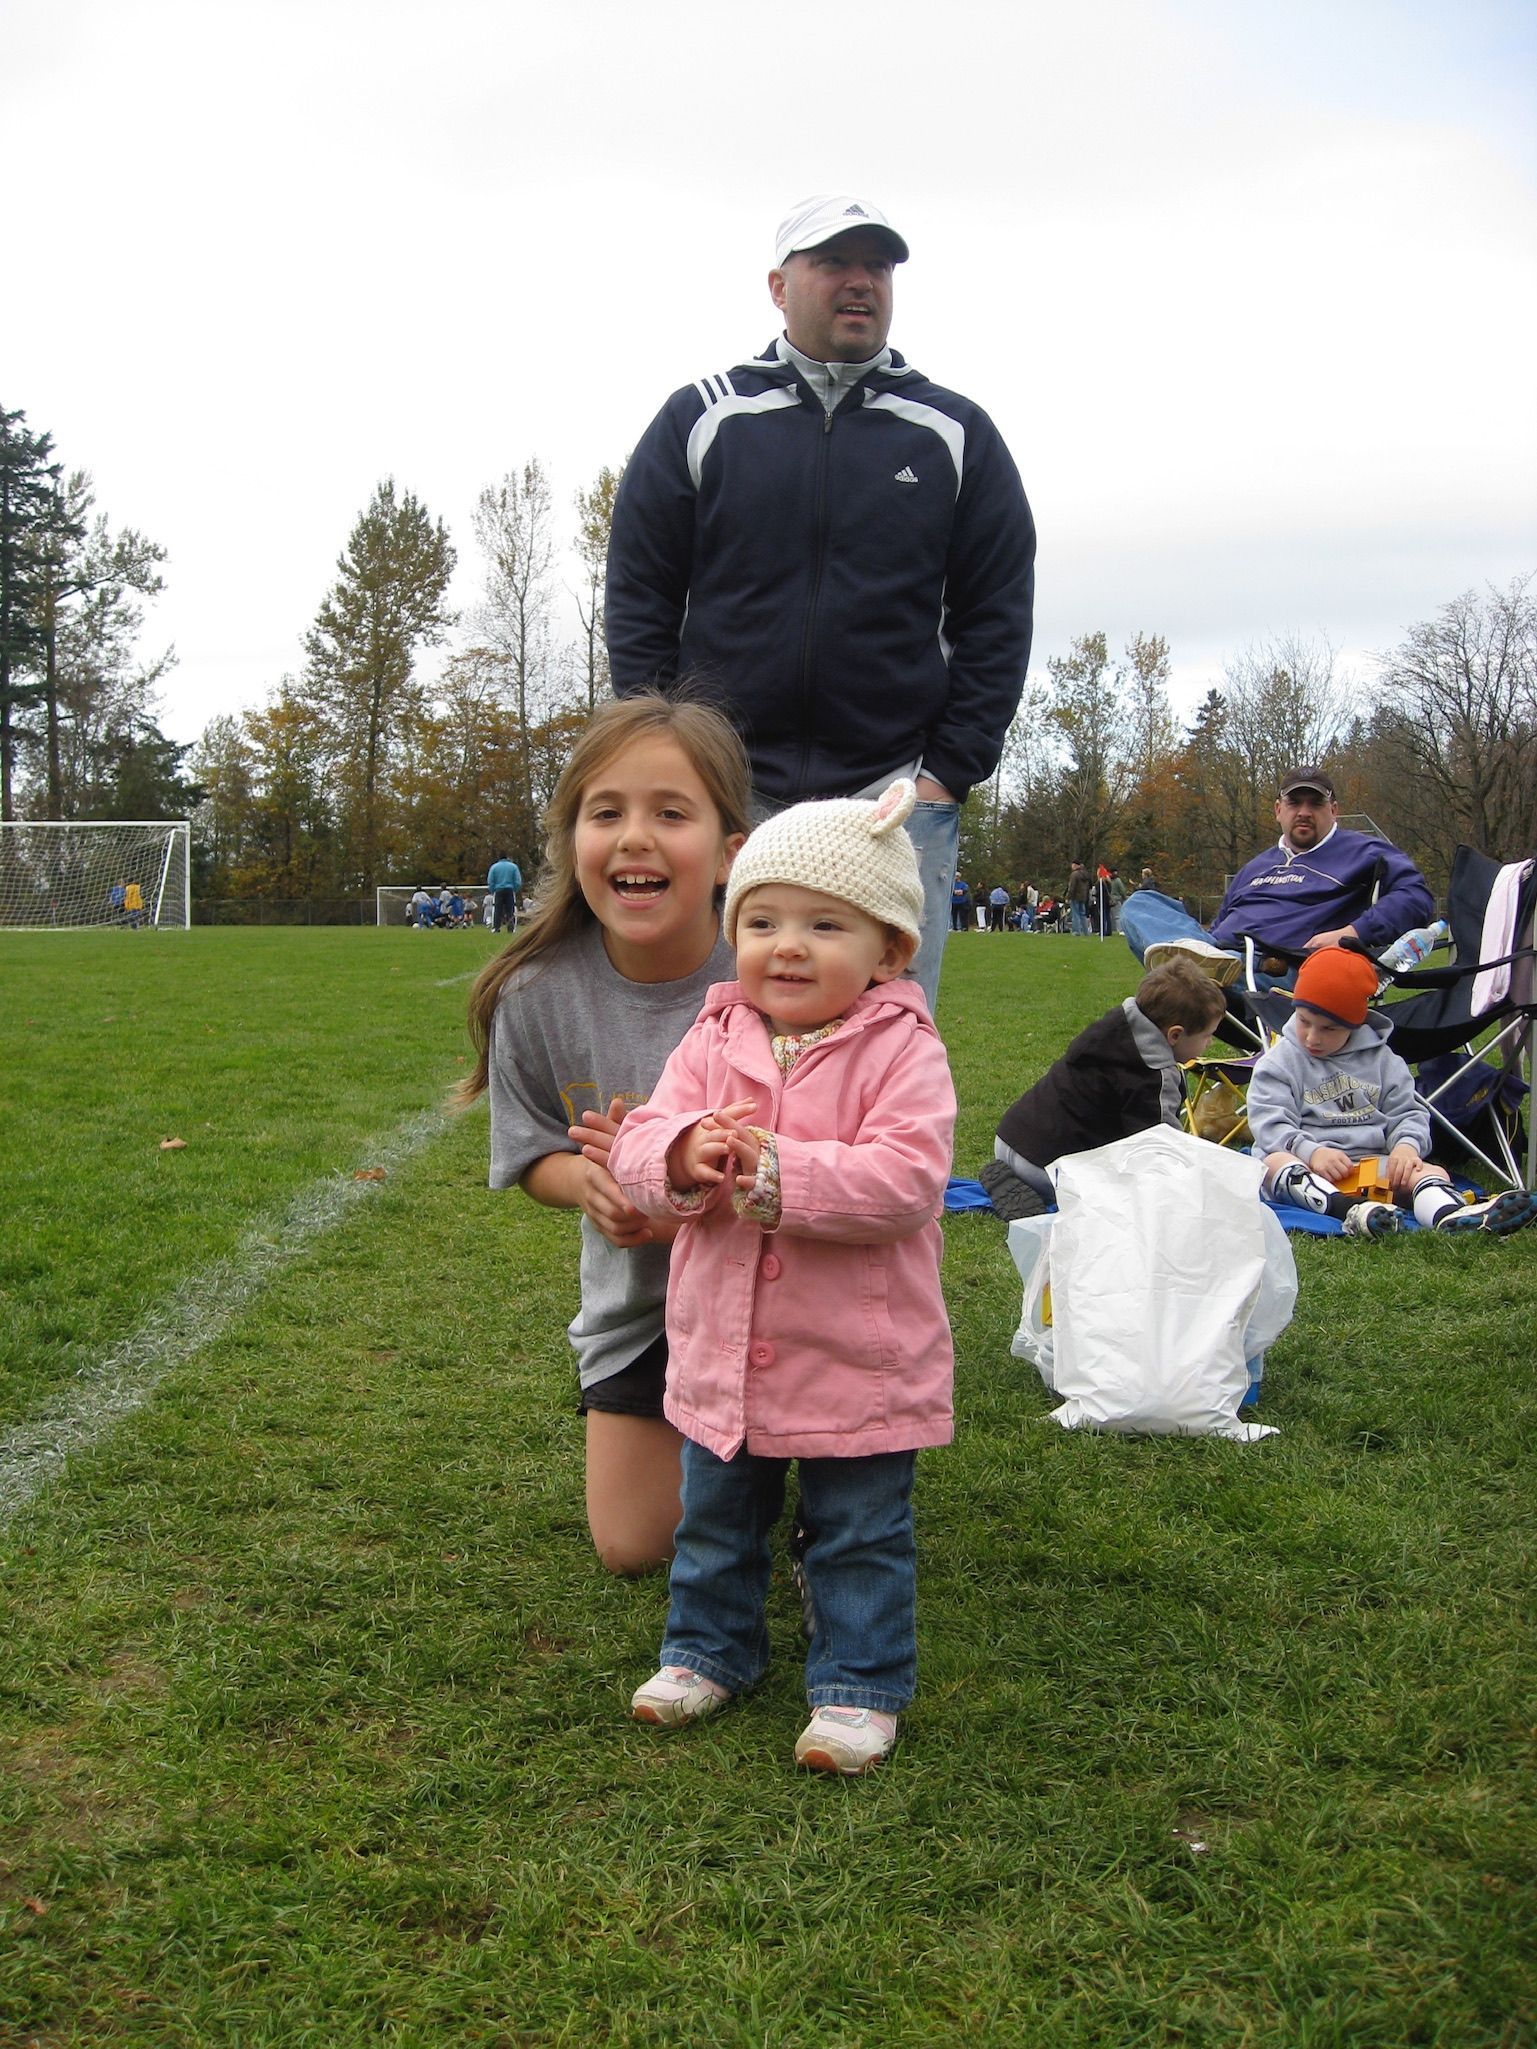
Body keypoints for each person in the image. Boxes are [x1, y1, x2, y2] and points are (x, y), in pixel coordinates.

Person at [604, 192, 1036, 1019]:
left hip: (893, 794)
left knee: (885, 1042)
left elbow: (997, 612)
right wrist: (668, 754)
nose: (860, 281)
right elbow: (638, 592)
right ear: (778, 286)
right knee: (709, 1034)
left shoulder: (953, 432)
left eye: (877, 265)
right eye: (834, 262)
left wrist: (946, 773)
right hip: (725, 787)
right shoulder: (703, 416)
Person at [610, 780, 956, 1776]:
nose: (787, 946)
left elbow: (906, 1180)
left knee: (858, 1529)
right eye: (761, 923)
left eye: (823, 925)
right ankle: (707, 1650)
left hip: (858, 1357)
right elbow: (639, 1143)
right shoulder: (713, 1036)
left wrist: (776, 1173)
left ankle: (857, 1682)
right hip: (722, 1348)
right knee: (716, 1516)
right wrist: (680, 1153)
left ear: (888, 951)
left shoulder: (902, 1049)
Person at [460, 694, 751, 1575]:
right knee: (633, 1546)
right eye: (606, 812)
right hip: (641, 1311)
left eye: (671, 813)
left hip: (776, 1293)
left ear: (729, 852)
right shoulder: (536, 993)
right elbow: (529, 1152)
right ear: (571, 841)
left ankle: (818, 1459)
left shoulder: (774, 975)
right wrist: (587, 1183)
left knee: (802, 1494)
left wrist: (695, 1199)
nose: (634, 837)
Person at [1247, 949, 1537, 1238]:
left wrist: (1406, 1147)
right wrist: (1313, 1152)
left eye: (1329, 1028)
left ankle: (1450, 1216)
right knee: (1272, 1164)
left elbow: (1408, 1113)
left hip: (1373, 1166)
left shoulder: (1384, 1061)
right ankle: (1345, 1209)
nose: (1312, 1037)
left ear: (1355, 1024)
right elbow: (1270, 1125)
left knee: (1431, 1173)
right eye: (1304, 1021)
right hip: (1310, 1166)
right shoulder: (1280, 1062)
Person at [1121, 768, 1434, 986]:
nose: (1304, 811)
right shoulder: (1254, 868)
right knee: (1141, 903)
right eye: (1294, 802)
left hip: (1283, 972)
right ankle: (1200, 965)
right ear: (1278, 810)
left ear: (1334, 810)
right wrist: (1211, 947)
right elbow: (1221, 924)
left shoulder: (1364, 851)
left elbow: (1416, 898)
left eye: (1316, 803)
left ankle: (1192, 971)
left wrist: (1352, 932)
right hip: (1224, 956)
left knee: (1164, 991)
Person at [981, 958, 1229, 1218]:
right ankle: (1037, 1191)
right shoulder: (1153, 1075)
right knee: (1120, 1203)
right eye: (1207, 1036)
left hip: (1010, 1137)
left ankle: (1013, 1180)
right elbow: (1160, 1147)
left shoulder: (1113, 1031)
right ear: (1175, 1035)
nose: (1210, 1043)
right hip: (1046, 1164)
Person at [487, 853, 522, 934]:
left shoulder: (494, 867)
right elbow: (517, 881)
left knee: (497, 909)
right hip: (510, 889)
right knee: (511, 910)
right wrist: (514, 889)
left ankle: (496, 928)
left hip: (498, 890)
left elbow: (490, 880)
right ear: (507, 858)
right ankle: (511, 928)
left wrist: (492, 890)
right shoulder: (513, 867)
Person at [1066, 861, 1091, 937]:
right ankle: (1086, 931)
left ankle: (1076, 931)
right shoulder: (1085, 874)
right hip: (1083, 897)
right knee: (1082, 914)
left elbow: (1072, 887)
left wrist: (1068, 897)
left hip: (1075, 896)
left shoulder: (1074, 874)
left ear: (1075, 865)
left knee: (1075, 914)